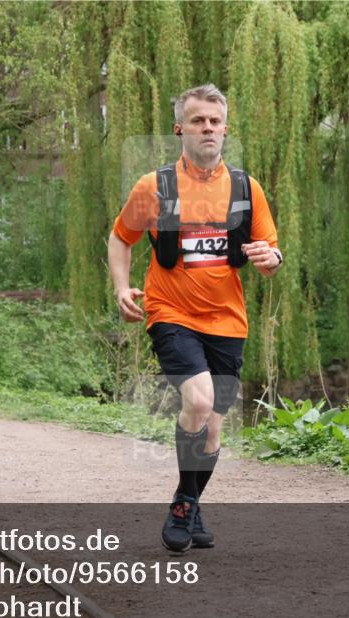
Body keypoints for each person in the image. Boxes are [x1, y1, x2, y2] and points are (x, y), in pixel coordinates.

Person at [107, 84, 283, 552]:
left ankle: (189, 501)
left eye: (215, 121)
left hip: (228, 321)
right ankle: (186, 503)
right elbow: (121, 237)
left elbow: (271, 252)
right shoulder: (155, 187)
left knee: (215, 427)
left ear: (226, 129)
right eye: (198, 120)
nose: (208, 128)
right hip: (171, 312)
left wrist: (271, 259)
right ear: (179, 128)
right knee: (200, 404)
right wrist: (123, 288)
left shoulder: (246, 188)